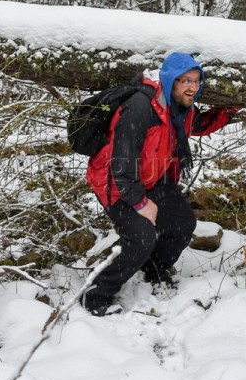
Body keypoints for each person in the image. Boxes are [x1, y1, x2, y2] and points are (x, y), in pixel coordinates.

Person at [81, 52, 237, 316]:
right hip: (116, 182)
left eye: (197, 81)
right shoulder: (141, 108)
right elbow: (122, 160)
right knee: (140, 237)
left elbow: (196, 124)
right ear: (169, 80)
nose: (192, 87)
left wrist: (230, 112)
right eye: (185, 80)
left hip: (153, 177)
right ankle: (96, 295)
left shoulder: (180, 108)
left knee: (182, 224)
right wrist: (140, 203)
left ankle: (152, 269)